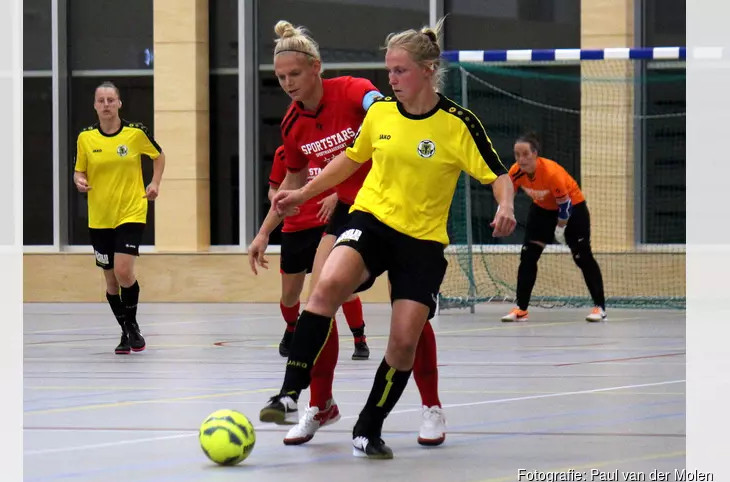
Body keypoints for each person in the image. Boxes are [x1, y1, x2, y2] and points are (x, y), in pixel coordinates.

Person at [260, 18, 516, 459]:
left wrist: (506, 205)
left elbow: (497, 175)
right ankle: (288, 393)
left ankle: (368, 426)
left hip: (421, 241)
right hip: (371, 221)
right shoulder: (380, 114)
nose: (392, 80)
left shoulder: (458, 123)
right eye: (389, 71)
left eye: (401, 71)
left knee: (402, 341)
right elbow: (349, 159)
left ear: (428, 70)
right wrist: (301, 193)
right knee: (325, 288)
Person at [249, 20, 448, 447]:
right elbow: (293, 183)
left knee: (409, 314)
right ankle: (319, 403)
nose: (287, 84)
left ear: (316, 68)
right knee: (320, 297)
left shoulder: (355, 91)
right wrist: (265, 231)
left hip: (401, 213)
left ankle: (431, 405)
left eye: (295, 75)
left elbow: (396, 112)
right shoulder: (293, 124)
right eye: (280, 78)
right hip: (352, 215)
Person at [73, 81, 166, 355]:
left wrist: (155, 183)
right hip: (100, 217)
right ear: (94, 105)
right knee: (111, 281)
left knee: (124, 272)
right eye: (100, 100)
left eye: (110, 100)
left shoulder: (136, 134)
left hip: (131, 211)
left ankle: (132, 327)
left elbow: (158, 157)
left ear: (119, 103)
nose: (106, 105)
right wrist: (79, 180)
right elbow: (80, 171)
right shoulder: (85, 138)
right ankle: (127, 330)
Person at [501, 133, 607, 323]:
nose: (521, 159)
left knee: (582, 257)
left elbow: (565, 206)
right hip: (541, 210)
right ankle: (521, 309)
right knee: (528, 257)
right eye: (517, 155)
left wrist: (560, 228)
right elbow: (508, 193)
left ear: (535, 154)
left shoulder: (551, 173)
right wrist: (504, 211)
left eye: (525, 154)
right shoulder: (516, 171)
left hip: (572, 210)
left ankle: (599, 307)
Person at [266, 144, 340, 357]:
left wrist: (335, 197)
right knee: (289, 296)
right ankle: (291, 328)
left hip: (325, 227)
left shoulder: (330, 149)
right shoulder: (284, 153)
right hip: (294, 230)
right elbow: (273, 190)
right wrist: (278, 201)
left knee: (329, 289)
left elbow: (352, 180)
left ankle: (358, 337)